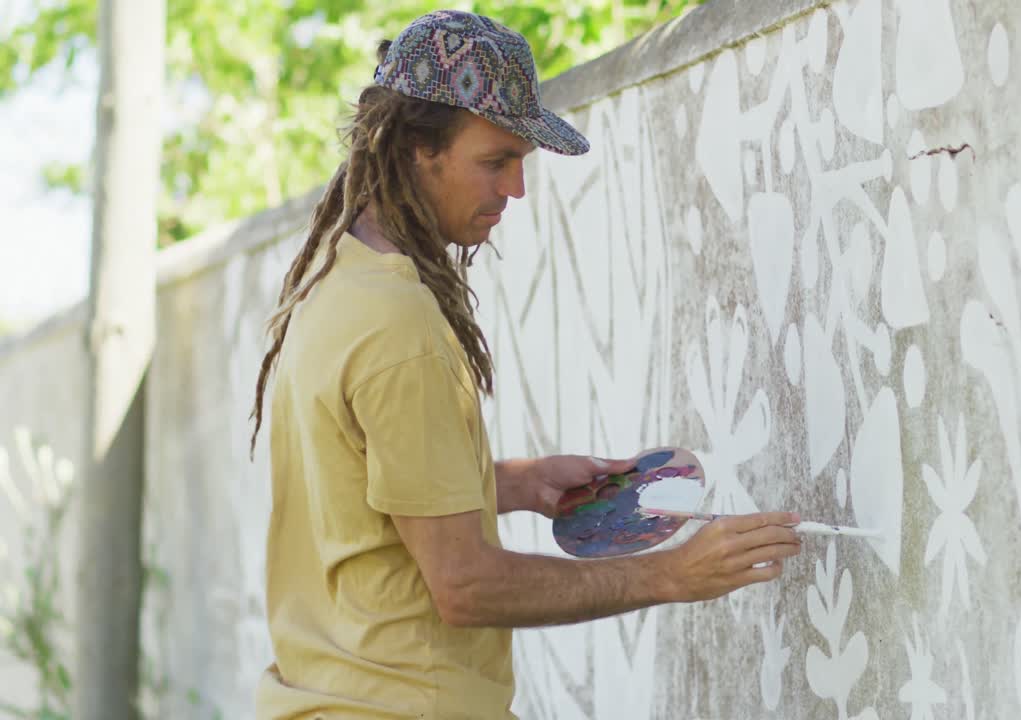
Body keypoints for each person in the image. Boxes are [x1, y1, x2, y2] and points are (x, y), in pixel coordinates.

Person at [248, 10, 801, 719]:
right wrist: (670, 574)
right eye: (495, 161)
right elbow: (465, 586)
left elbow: (360, 495)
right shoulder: (398, 324)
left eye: (520, 161)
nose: (516, 189)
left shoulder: (335, 281)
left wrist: (518, 483)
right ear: (419, 148)